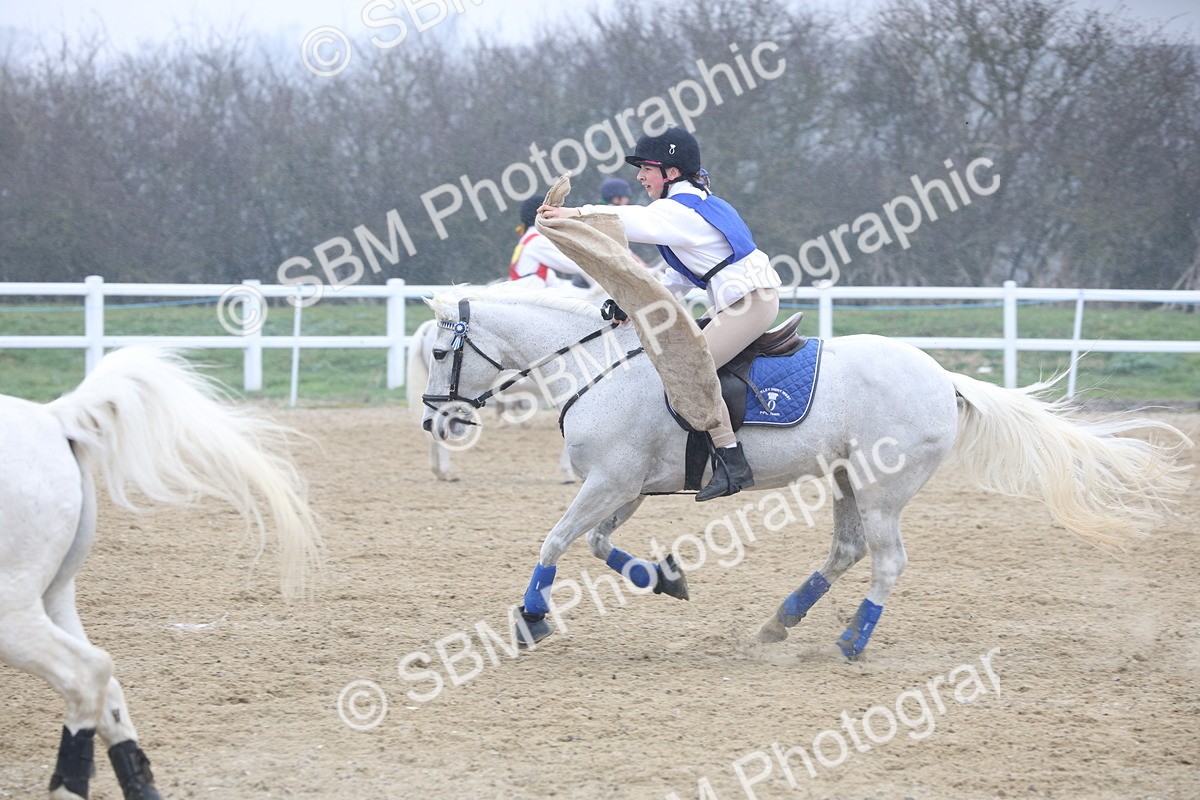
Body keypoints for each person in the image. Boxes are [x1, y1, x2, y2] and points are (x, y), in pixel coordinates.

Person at [539, 127, 782, 501]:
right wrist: (630, 305)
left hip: (749, 304)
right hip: (744, 301)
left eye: (646, 168)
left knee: (690, 368)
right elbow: (676, 280)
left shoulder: (678, 211)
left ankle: (732, 460)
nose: (640, 177)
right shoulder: (699, 205)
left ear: (672, 172)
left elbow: (628, 219)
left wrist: (575, 214)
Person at [509, 196, 592, 290]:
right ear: (544, 214)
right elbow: (574, 264)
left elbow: (553, 282)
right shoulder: (538, 241)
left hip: (524, 294)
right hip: (528, 296)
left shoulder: (528, 239)